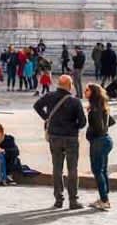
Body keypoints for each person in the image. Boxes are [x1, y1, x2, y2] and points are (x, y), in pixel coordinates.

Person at [34, 74, 87, 210]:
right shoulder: (75, 101)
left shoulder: (50, 96)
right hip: (70, 137)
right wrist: (73, 126)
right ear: (70, 86)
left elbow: (37, 106)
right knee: (72, 169)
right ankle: (73, 200)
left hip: (54, 136)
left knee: (57, 168)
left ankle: (58, 199)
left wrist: (47, 118)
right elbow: (82, 123)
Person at [84, 82, 116, 211]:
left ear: (93, 93)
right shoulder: (102, 106)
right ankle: (104, 197)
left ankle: (104, 200)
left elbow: (99, 128)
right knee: (103, 170)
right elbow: (111, 122)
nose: (85, 92)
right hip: (106, 140)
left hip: (99, 141)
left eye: (87, 90)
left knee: (97, 171)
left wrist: (89, 134)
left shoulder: (94, 109)